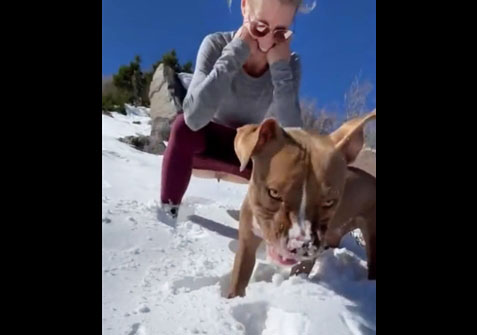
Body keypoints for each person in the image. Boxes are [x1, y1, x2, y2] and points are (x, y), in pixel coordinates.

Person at [161, 0, 304, 219]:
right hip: (203, 144)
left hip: (248, 154)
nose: (267, 43)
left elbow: (294, 135)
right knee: (181, 125)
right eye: (260, 27)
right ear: (244, 6)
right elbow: (194, 118)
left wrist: (280, 69)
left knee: (290, 156)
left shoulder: (288, 63)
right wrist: (235, 53)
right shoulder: (216, 44)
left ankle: (275, 233)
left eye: (280, 33)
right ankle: (167, 214)